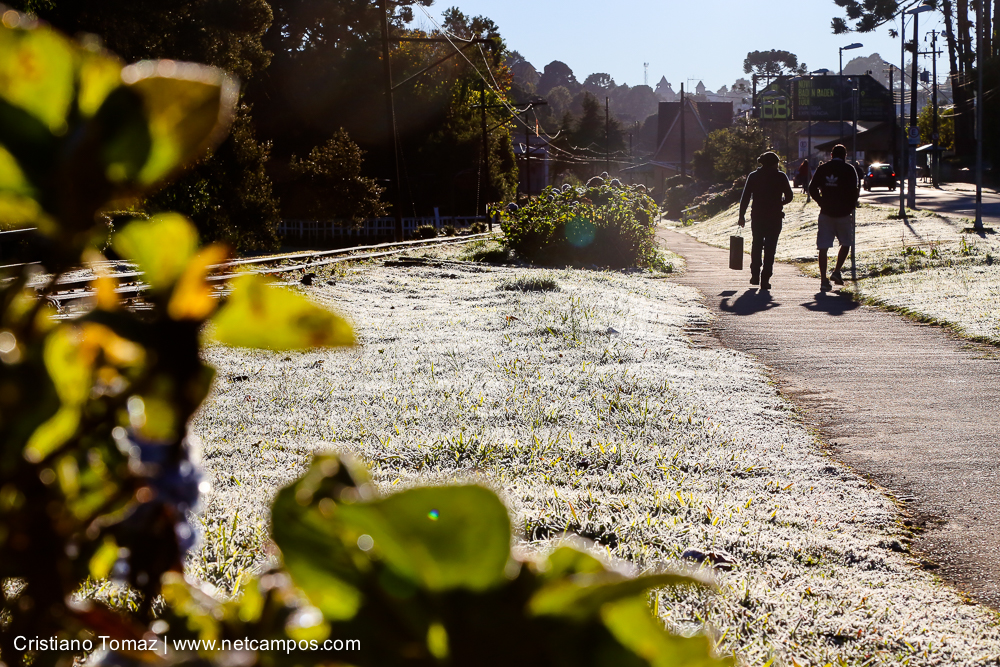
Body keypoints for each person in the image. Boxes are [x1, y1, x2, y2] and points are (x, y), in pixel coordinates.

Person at [738, 151, 794, 291]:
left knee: (756, 243)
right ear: (775, 163)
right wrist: (780, 202)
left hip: (757, 216)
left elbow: (745, 198)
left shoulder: (754, 176)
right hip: (774, 217)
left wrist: (741, 216)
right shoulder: (780, 176)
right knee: (770, 247)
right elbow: (789, 196)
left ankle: (755, 274)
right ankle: (765, 278)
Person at [808, 144, 859, 291]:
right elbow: (854, 192)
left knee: (823, 247)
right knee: (846, 243)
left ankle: (823, 280)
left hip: (826, 213)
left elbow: (812, 188)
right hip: (843, 214)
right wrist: (849, 207)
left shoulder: (823, 168)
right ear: (845, 155)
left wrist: (821, 201)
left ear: (831, 155)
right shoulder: (850, 169)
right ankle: (836, 271)